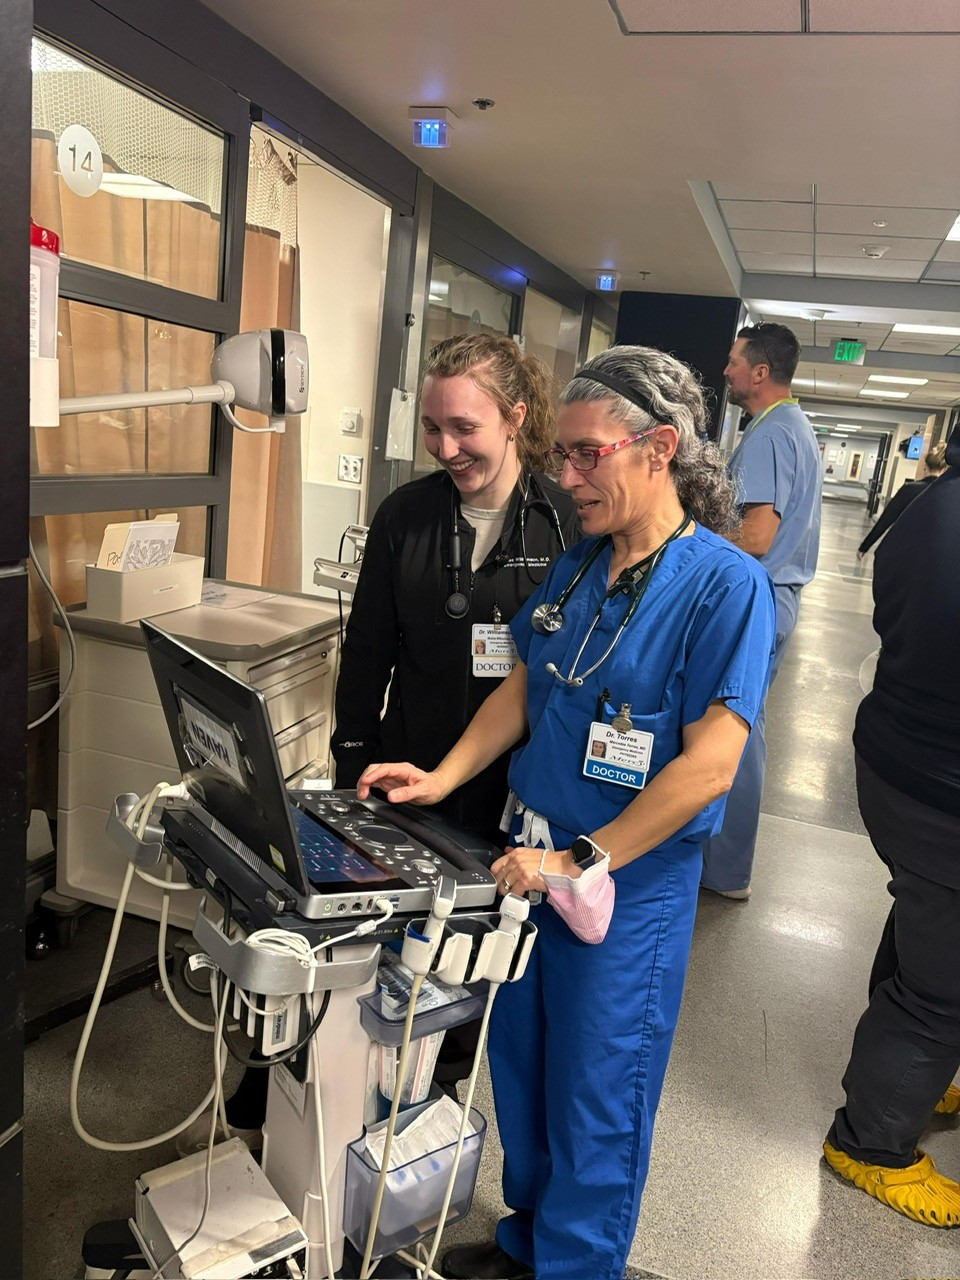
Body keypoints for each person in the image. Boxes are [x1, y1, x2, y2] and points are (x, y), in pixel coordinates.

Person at [358, 346, 777, 1280]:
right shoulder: (583, 565)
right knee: (524, 1064)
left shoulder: (725, 586)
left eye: (590, 455)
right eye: (565, 454)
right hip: (529, 864)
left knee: (598, 1091)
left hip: (622, 887)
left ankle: (577, 1267)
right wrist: (442, 776)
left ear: (660, 448)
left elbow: (710, 768)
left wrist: (581, 859)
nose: (569, 475)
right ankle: (528, 1243)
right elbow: (525, 683)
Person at [332, 331, 579, 1089]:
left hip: (513, 787)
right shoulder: (405, 516)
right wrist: (350, 771)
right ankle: (366, 1085)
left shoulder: (568, 524)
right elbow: (367, 654)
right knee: (395, 949)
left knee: (476, 959)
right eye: (432, 427)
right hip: (410, 769)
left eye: (464, 427)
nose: (445, 447)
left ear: (515, 417)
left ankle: (439, 1099)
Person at [823, 426, 960, 1227]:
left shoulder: (927, 502)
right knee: (944, 990)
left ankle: (919, 1073)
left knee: (926, 918)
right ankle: (871, 1142)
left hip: (897, 760)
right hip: (945, 793)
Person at [700, 321, 822, 900]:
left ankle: (725, 871)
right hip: (779, 598)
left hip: (762, 597)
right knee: (744, 728)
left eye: (734, 361)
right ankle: (726, 864)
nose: (726, 371)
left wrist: (690, 539)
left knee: (735, 732)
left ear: (760, 371)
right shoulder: (793, 426)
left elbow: (756, 535)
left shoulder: (771, 433)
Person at [856, 440, 949, 559]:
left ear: (925, 466)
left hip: (903, 549)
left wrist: (864, 546)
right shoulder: (948, 494)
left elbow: (885, 520)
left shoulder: (909, 489)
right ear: (945, 469)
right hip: (933, 555)